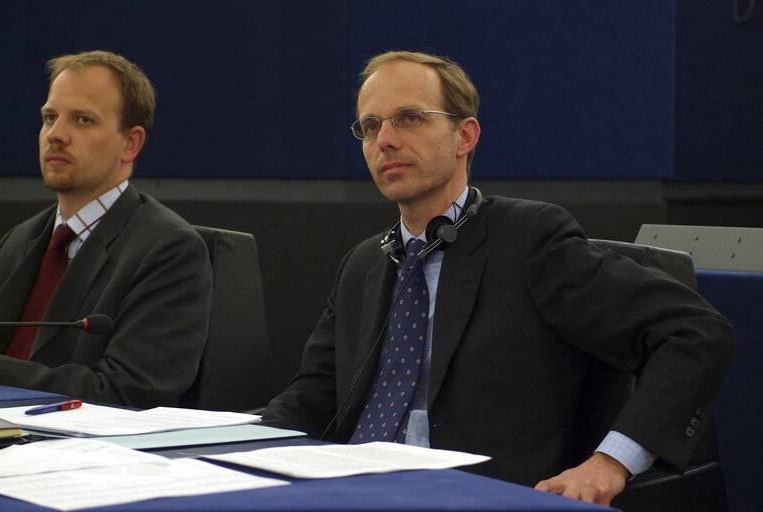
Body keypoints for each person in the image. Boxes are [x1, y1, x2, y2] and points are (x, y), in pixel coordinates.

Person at [261, 50, 735, 506]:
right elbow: (311, 398)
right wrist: (214, 442)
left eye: (409, 118)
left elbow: (696, 333)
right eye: (370, 126)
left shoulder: (529, 241)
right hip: (345, 489)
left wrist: (608, 464)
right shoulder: (363, 264)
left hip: (472, 494)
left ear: (464, 136)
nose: (384, 140)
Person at [0, 50, 212, 409]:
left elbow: (127, 391)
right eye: (49, 118)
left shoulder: (169, 249)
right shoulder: (20, 240)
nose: (56, 135)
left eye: (82, 120)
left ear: (131, 143)